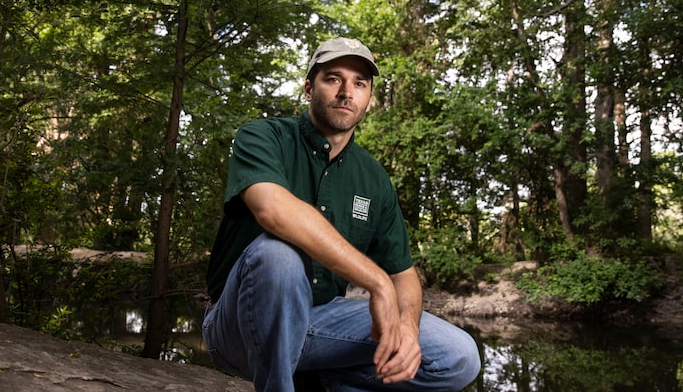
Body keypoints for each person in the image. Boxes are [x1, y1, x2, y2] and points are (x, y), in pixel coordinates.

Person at [202, 37, 481, 391]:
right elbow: (273, 210)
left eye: (359, 83)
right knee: (279, 255)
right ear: (308, 88)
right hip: (239, 330)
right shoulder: (263, 136)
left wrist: (407, 328)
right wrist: (376, 283)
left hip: (321, 325)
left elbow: (404, 273)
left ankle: (324, 381)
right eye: (333, 78)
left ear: (369, 99)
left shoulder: (374, 178)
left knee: (458, 355)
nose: (346, 92)